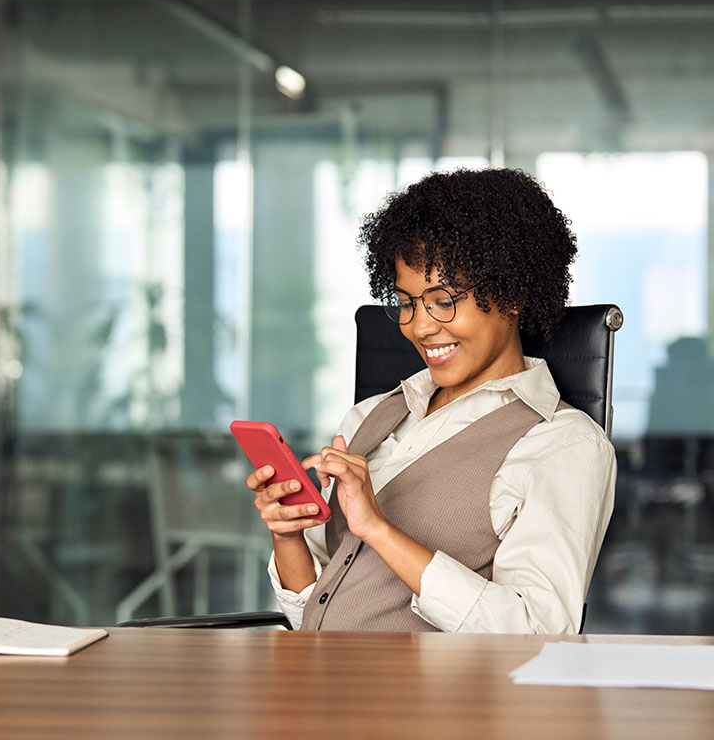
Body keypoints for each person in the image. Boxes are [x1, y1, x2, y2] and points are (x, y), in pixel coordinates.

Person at [246, 167, 616, 633]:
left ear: (513, 294)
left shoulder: (562, 445)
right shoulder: (368, 418)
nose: (419, 326)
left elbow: (538, 633)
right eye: (407, 302)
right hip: (327, 687)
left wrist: (379, 530)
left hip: (434, 703)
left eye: (443, 300)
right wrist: (288, 536)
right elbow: (313, 617)